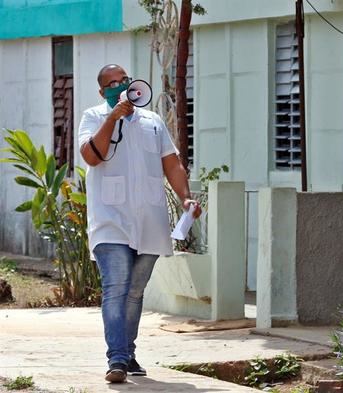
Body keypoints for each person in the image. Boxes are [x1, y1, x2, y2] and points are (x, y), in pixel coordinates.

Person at [78, 64, 202, 383]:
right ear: (102, 91)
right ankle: (117, 359)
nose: (121, 86)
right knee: (116, 287)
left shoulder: (153, 121)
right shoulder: (93, 116)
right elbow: (92, 157)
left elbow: (172, 165)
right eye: (112, 84)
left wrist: (185, 199)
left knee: (134, 291)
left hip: (150, 222)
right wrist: (112, 118)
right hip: (110, 222)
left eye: (124, 80)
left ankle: (127, 353)